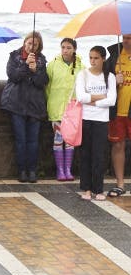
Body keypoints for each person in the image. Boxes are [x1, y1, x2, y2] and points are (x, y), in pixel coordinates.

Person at [1, 31, 49, 183]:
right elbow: (13, 76)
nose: (31, 46)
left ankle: (32, 170)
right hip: (17, 104)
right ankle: (22, 170)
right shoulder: (14, 56)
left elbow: (43, 81)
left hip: (35, 105)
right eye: (29, 43)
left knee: (33, 140)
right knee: (20, 139)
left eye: (34, 45)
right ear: (24, 43)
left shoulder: (41, 60)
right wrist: (25, 65)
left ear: (39, 46)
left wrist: (35, 71)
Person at [76, 46, 116, 201]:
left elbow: (111, 100)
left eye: (96, 58)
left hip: (101, 120)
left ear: (103, 59)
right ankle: (86, 188)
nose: (93, 61)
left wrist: (93, 101)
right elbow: (81, 97)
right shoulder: (83, 74)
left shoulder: (109, 77)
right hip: (86, 118)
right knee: (85, 154)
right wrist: (101, 97)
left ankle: (98, 189)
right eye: (91, 57)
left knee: (99, 155)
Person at [45, 38, 83, 182]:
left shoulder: (81, 67)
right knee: (58, 138)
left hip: (72, 111)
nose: (65, 50)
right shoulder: (52, 65)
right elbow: (47, 87)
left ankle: (68, 169)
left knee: (70, 140)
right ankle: (60, 170)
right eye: (63, 47)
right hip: (56, 108)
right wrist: (51, 102)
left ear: (74, 49)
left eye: (68, 48)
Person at [105, 34, 131, 197]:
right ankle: (120, 183)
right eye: (125, 37)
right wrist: (114, 80)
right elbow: (101, 81)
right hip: (118, 110)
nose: (127, 41)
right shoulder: (114, 55)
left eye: (130, 38)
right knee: (118, 145)